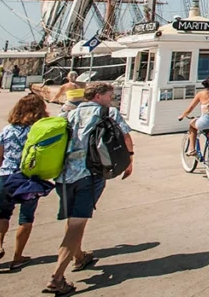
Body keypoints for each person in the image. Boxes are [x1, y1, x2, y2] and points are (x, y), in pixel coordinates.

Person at [47, 82, 133, 295]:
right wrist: (129, 161)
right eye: (109, 95)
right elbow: (126, 137)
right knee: (77, 223)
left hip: (64, 175)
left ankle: (79, 256)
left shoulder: (69, 114)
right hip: (90, 173)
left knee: (73, 220)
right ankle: (57, 277)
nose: (111, 99)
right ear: (98, 96)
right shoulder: (108, 112)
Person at [0, 94, 49, 272]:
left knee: (2, 213)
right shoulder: (39, 131)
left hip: (7, 176)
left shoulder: (7, 130)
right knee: (26, 217)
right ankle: (18, 257)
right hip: (29, 178)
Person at [178, 75, 209, 155]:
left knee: (192, 125)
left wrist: (182, 116)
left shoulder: (201, 94)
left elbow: (191, 107)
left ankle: (192, 150)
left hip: (206, 121)